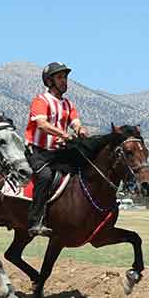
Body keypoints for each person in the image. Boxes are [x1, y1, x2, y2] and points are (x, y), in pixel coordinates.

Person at [24, 62, 88, 236]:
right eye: (60, 77)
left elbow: (75, 122)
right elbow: (42, 124)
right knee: (44, 176)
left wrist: (80, 130)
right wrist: (64, 134)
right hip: (37, 151)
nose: (64, 81)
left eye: (65, 77)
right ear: (49, 81)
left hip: (57, 153)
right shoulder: (40, 100)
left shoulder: (68, 104)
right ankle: (35, 221)